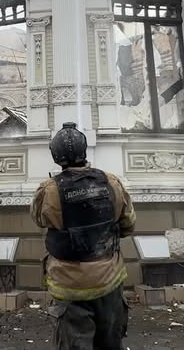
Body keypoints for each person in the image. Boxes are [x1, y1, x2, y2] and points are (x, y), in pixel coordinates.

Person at [31, 122, 137, 350]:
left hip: (69, 287)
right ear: (84, 150)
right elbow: (128, 224)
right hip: (110, 281)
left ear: (55, 156)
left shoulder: (48, 190)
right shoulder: (112, 182)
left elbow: (40, 219)